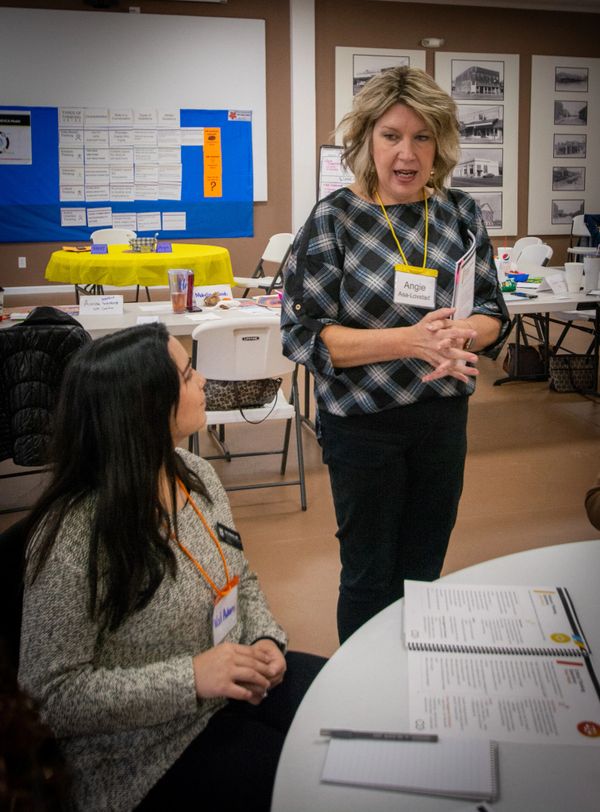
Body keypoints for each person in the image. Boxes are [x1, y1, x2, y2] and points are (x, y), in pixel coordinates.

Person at [17, 323, 325, 812]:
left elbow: (238, 575)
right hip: (141, 754)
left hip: (228, 689)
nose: (203, 380)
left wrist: (266, 638)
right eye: (186, 375)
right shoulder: (74, 536)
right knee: (313, 784)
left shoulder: (196, 475)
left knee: (341, 703)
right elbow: (50, 697)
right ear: (145, 406)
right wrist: (192, 677)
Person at [281, 66, 511, 643]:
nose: (406, 154)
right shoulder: (335, 218)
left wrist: (464, 336)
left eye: (422, 137)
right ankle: (362, 701)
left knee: (423, 572)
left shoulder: (459, 213)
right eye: (391, 136)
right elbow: (302, 333)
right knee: (368, 577)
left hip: (441, 422)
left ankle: (413, 684)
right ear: (366, 142)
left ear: (441, 145)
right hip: (363, 428)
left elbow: (491, 311)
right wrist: (409, 340)